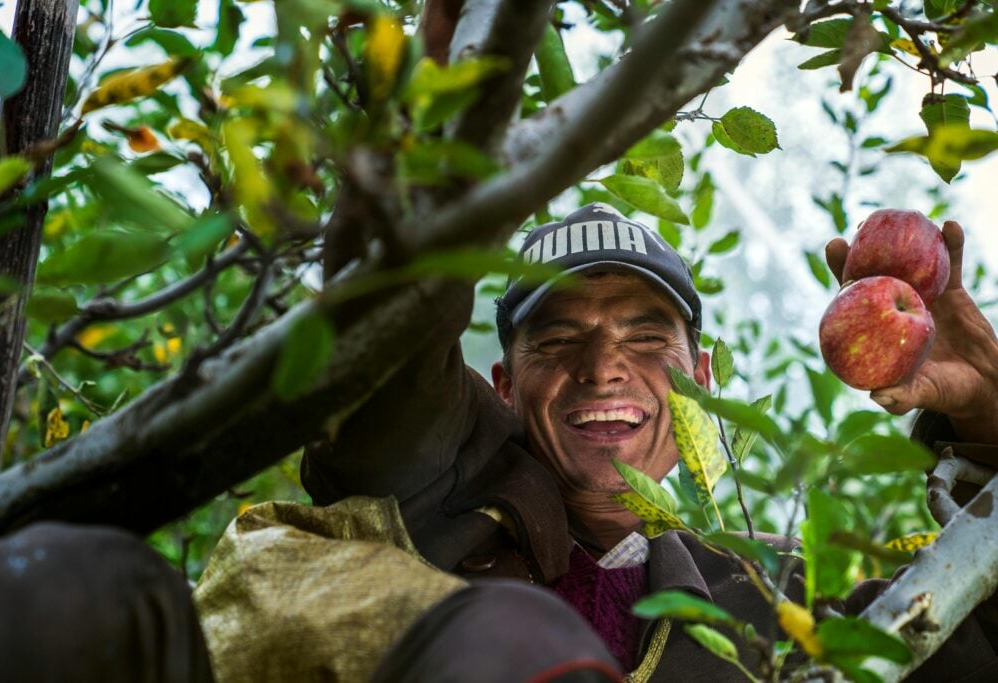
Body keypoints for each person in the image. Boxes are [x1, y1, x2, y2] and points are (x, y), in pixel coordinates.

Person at [296, 203, 998, 680]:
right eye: (560, 337)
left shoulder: (776, 599)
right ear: (504, 386)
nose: (602, 367)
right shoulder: (426, 508)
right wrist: (444, 155)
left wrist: (991, 421)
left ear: (699, 380)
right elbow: (385, 357)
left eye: (646, 335)